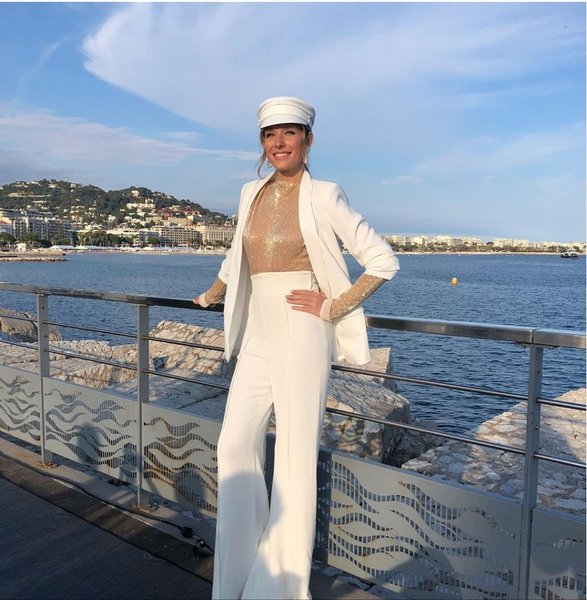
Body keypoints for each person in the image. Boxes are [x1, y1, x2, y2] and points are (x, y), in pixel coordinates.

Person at [193, 96, 399, 600]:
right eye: (270, 134)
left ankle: (278, 588)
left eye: (289, 133)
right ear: (262, 143)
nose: (279, 143)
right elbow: (238, 254)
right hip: (258, 330)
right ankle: (238, 578)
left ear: (308, 139)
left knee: (294, 455)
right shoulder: (250, 192)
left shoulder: (325, 194)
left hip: (302, 328)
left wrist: (332, 306)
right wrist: (213, 293)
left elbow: (382, 260)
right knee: (233, 444)